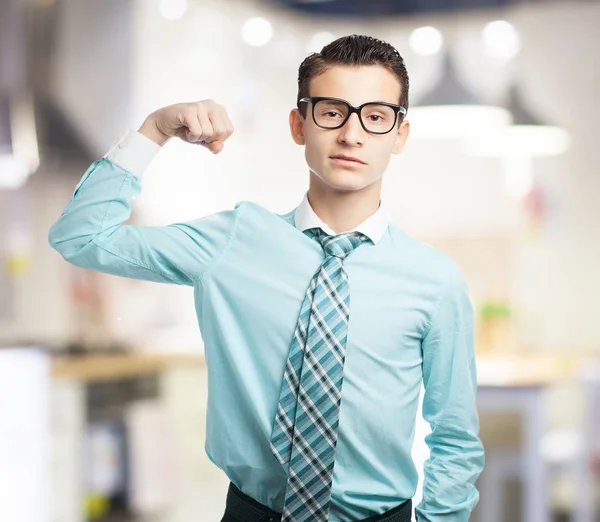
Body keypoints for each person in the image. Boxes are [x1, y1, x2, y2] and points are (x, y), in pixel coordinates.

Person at [49, 35, 484, 522]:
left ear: (399, 134)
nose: (352, 135)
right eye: (332, 112)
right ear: (299, 125)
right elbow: (80, 237)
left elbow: (455, 436)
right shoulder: (231, 242)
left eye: (376, 116)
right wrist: (155, 129)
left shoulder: (435, 281)